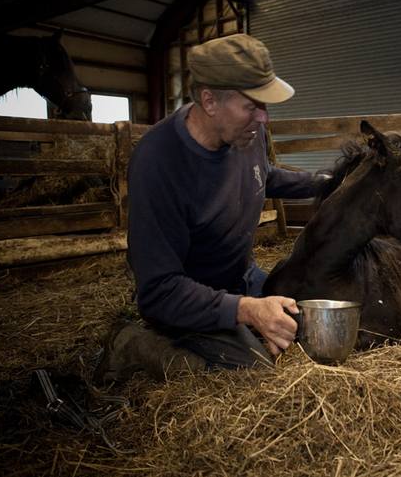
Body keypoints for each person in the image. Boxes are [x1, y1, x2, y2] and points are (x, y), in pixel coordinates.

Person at [95, 34, 324, 383]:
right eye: (252, 106)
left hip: (238, 278)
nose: (263, 118)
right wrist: (246, 311)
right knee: (253, 373)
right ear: (209, 100)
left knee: (307, 325)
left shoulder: (246, 133)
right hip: (185, 298)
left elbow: (262, 175)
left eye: (264, 106)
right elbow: (159, 290)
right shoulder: (159, 163)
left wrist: (327, 182)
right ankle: (133, 344)